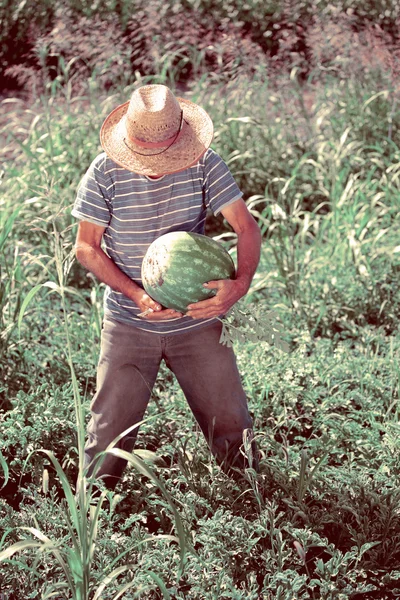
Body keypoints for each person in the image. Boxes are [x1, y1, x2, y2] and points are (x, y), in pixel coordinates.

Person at [72, 84, 262, 491]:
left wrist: (239, 284)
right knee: (107, 439)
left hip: (196, 318)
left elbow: (245, 226)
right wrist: (138, 294)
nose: (154, 162)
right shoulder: (104, 171)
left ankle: (254, 507)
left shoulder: (204, 163)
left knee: (232, 428)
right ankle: (95, 519)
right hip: (129, 323)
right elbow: (86, 248)